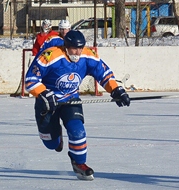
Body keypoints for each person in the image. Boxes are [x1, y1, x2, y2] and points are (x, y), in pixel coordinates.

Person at [24, 29, 130, 180]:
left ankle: (80, 163)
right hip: (47, 103)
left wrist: (116, 90)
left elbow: (104, 74)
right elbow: (30, 79)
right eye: (74, 48)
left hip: (70, 100)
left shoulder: (88, 55)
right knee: (51, 144)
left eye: (80, 48)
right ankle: (56, 136)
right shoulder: (50, 56)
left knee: (78, 130)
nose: (78, 52)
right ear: (66, 46)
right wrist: (43, 93)